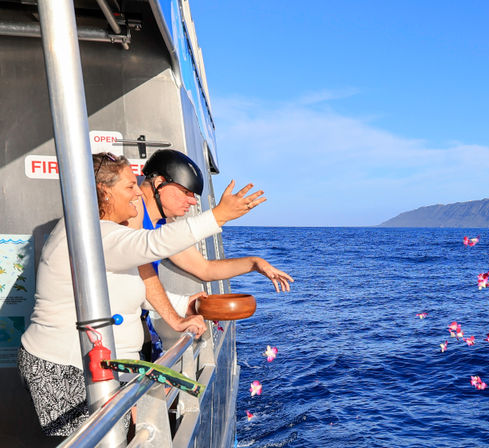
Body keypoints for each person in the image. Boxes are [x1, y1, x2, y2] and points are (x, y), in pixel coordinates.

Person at [18, 152, 264, 436]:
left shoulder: (106, 233)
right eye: (129, 186)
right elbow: (153, 244)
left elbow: (137, 287)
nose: (137, 192)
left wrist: (183, 308)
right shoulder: (92, 235)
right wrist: (218, 216)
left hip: (99, 365)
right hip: (64, 366)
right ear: (104, 192)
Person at [127, 150, 293, 336]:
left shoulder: (162, 226)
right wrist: (220, 215)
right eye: (186, 192)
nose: (192, 201)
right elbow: (140, 272)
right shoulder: (130, 216)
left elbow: (204, 269)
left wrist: (255, 263)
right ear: (159, 184)